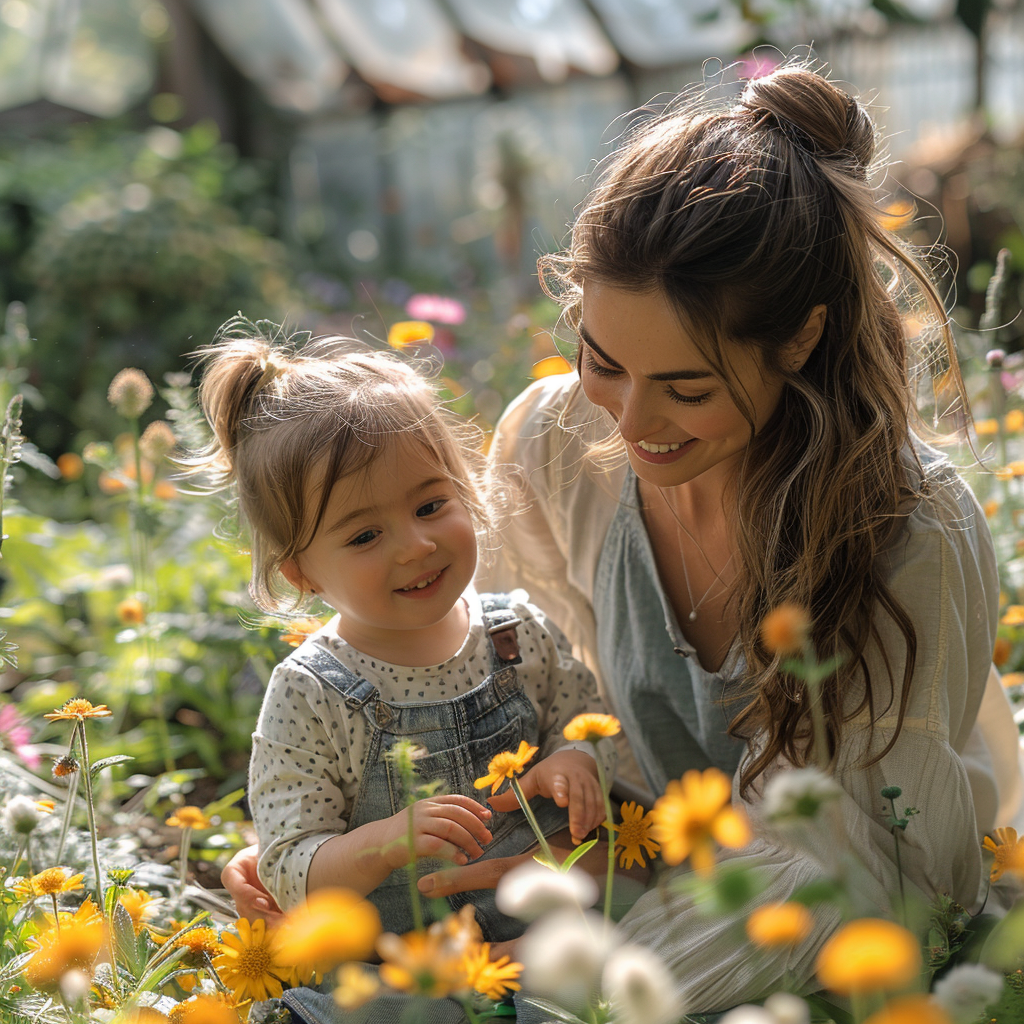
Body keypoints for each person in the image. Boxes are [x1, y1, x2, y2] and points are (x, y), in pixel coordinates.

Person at [223, 61, 1024, 1014]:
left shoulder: (910, 531)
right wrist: (331, 851)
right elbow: (513, 708)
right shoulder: (559, 446)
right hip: (626, 876)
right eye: (602, 360)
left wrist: (590, 947)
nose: (632, 422)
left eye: (687, 387)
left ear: (801, 340)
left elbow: (876, 857)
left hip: (818, 896)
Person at [190, 320, 614, 952]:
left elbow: (586, 719)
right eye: (364, 536)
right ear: (301, 572)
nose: (416, 546)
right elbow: (289, 866)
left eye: (429, 506)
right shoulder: (311, 694)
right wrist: (381, 843)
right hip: (396, 975)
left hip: (548, 948)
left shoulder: (515, 632)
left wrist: (577, 761)